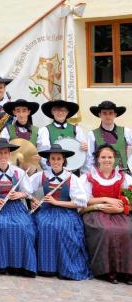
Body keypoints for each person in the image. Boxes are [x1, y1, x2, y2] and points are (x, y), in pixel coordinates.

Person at [28, 144, 91, 280]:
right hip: (46, 211)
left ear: (63, 160)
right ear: (48, 161)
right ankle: (46, 267)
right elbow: (25, 189)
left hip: (66, 212)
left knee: (62, 226)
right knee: (42, 225)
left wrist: (57, 203)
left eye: (58, 159)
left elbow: (81, 202)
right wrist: (34, 200)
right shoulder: (42, 175)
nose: (56, 161)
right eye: (53, 159)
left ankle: (62, 267)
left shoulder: (71, 178)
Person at [0, 139, 37, 276]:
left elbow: (28, 192)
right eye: (0, 153)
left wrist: (19, 194)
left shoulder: (18, 172)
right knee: (1, 226)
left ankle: (20, 265)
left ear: (9, 154)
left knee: (23, 227)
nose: (3, 156)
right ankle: (0, 264)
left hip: (16, 207)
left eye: (5, 153)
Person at [81, 144, 132, 284]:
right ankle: (106, 271)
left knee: (128, 230)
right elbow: (84, 200)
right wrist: (105, 200)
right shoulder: (89, 177)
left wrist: (121, 209)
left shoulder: (123, 178)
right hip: (96, 212)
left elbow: (130, 198)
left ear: (114, 159)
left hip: (118, 213)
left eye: (110, 157)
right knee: (106, 230)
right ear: (98, 159)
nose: (107, 160)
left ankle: (126, 271)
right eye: (103, 157)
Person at [87, 101, 131, 173]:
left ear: (115, 114)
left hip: (123, 173)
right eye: (104, 113)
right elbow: (90, 158)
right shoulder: (92, 134)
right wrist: (93, 175)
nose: (108, 116)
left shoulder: (126, 131)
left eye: (111, 113)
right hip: (101, 175)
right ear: (99, 115)